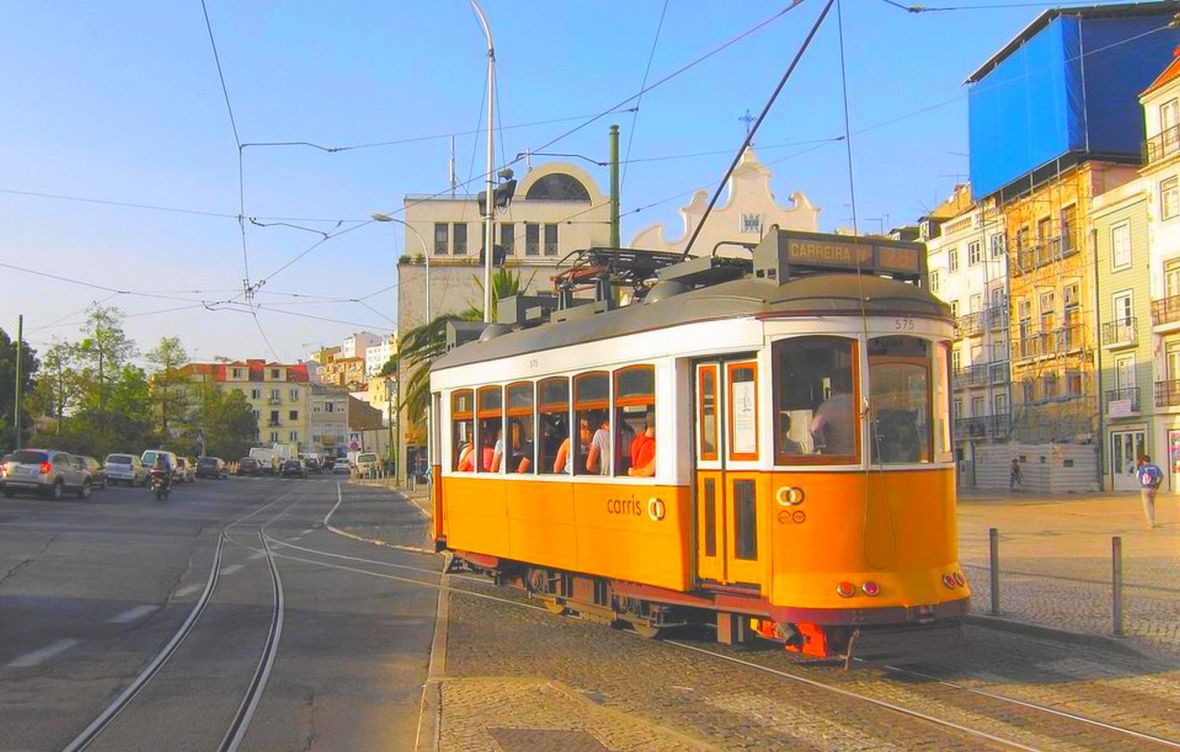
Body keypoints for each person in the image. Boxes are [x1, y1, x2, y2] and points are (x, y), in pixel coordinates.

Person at [809, 375, 854, 455]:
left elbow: (815, 428)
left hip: (834, 457)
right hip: (859, 456)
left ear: (832, 387)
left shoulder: (827, 406)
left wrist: (822, 444)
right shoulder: (859, 402)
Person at [1136, 454, 1163, 529]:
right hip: (1153, 487)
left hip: (1145, 488)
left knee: (1147, 506)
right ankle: (1153, 521)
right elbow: (1161, 476)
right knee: (1152, 504)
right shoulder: (1155, 467)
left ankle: (1150, 523)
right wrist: (1158, 484)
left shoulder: (1141, 468)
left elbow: (1138, 477)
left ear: (1143, 461)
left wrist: (1138, 467)